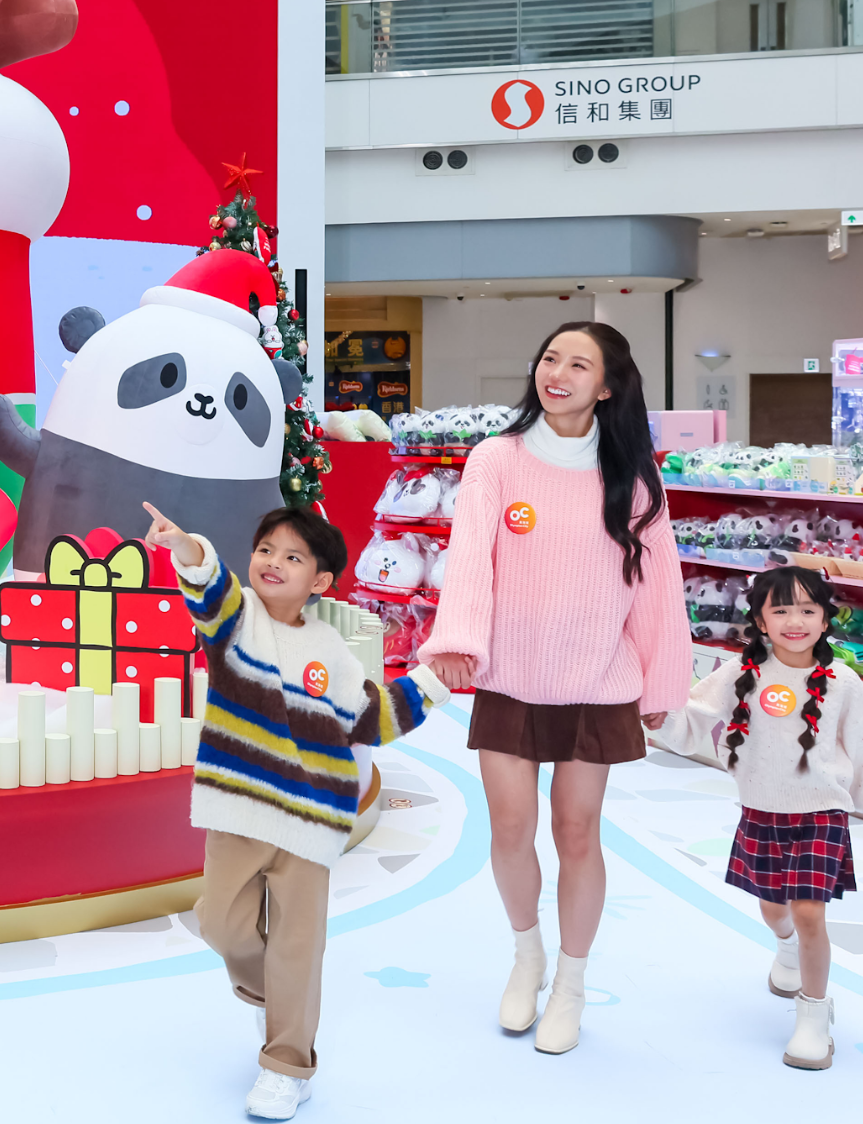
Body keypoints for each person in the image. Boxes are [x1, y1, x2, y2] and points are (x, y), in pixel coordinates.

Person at [419, 320, 690, 1054]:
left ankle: (571, 981)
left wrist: (662, 682)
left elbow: (657, 587)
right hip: (510, 675)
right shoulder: (496, 459)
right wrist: (458, 641)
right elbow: (469, 557)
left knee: (576, 831)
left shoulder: (633, 478)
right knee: (510, 827)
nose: (556, 373)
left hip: (597, 679)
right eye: (549, 358)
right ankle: (527, 956)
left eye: (577, 364)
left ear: (607, 387)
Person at [146, 502, 451, 1120]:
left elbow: (369, 720)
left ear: (320, 580)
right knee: (221, 925)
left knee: (298, 944)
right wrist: (186, 547)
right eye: (265, 550)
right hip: (239, 808)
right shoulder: (235, 622)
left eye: (292, 556)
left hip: (312, 818)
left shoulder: (331, 650)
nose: (274, 563)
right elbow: (208, 585)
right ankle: (278, 998)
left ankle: (287, 1064)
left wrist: (431, 683)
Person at [654, 566, 863, 1070]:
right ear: (761, 621)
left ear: (825, 619)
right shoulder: (741, 671)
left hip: (822, 814)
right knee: (775, 911)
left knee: (810, 912)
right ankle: (785, 948)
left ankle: (814, 1017)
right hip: (761, 811)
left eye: (808, 610)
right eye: (781, 610)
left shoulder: (842, 681)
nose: (795, 621)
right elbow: (695, 715)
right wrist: (662, 719)